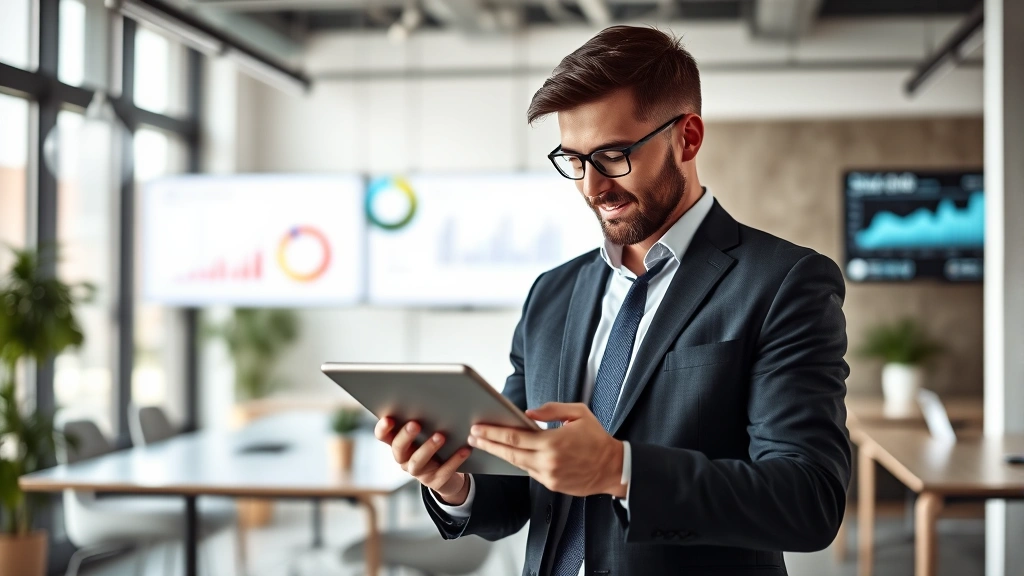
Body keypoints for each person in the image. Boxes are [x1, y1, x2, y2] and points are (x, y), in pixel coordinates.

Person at [374, 25, 851, 576]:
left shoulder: (784, 283)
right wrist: (453, 482)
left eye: (613, 155)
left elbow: (808, 501)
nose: (590, 187)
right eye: (574, 160)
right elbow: (515, 497)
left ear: (688, 138)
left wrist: (621, 470)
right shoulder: (551, 294)